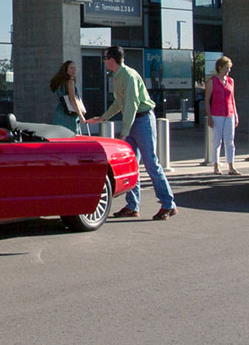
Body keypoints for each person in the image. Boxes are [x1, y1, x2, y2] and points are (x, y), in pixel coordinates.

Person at [90, 46, 176, 220]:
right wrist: (102, 118)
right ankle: (132, 205)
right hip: (133, 121)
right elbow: (119, 103)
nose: (104, 61)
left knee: (151, 163)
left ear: (112, 60)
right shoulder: (117, 75)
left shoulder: (129, 76)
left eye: (105, 58)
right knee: (132, 165)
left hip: (143, 120)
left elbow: (131, 105)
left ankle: (168, 204)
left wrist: (124, 131)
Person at [206, 56, 239, 175]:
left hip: (229, 113)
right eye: (226, 68)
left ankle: (231, 166)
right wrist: (209, 116)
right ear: (220, 67)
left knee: (230, 141)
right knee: (217, 141)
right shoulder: (212, 81)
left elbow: (232, 98)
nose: (228, 70)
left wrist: (235, 114)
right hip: (217, 114)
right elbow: (207, 99)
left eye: (229, 68)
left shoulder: (231, 81)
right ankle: (216, 166)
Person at [48, 60, 88, 134]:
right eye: (71, 68)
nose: (74, 70)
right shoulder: (70, 81)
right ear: (66, 70)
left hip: (60, 112)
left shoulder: (60, 82)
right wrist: (80, 115)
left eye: (74, 68)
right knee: (72, 137)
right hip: (69, 114)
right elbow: (72, 99)